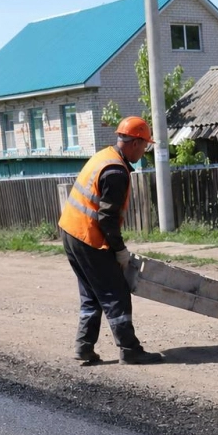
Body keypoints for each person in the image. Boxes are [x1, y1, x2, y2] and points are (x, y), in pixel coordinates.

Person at [58, 116, 164, 365]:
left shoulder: (104, 156)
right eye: (145, 145)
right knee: (116, 293)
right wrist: (120, 250)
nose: (144, 150)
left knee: (92, 295)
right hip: (88, 237)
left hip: (70, 232)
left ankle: (84, 347)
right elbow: (107, 218)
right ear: (135, 142)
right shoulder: (116, 171)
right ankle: (130, 350)